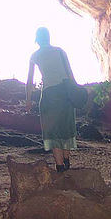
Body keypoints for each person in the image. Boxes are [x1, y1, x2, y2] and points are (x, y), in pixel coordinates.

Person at [26, 27, 77, 172]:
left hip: (50, 95)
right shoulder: (60, 51)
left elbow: (29, 81)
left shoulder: (35, 55)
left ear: (37, 40)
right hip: (66, 94)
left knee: (53, 131)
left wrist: (28, 99)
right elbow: (71, 75)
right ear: (49, 38)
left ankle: (60, 166)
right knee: (66, 129)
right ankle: (67, 161)